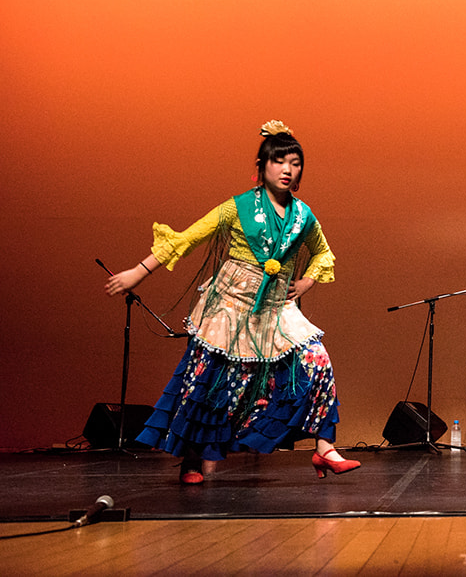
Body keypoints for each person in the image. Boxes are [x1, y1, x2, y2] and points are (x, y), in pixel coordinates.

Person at [104, 120, 360, 484]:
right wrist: (138, 271)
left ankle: (325, 448)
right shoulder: (236, 208)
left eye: (295, 163)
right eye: (279, 161)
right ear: (261, 166)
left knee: (317, 361)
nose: (287, 169)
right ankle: (192, 460)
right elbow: (187, 239)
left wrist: (305, 281)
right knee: (210, 385)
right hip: (230, 305)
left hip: (275, 308)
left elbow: (323, 253)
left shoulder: (303, 216)